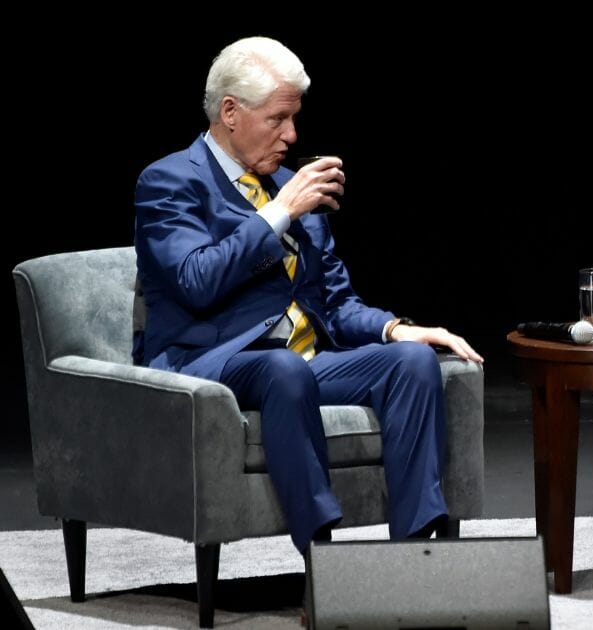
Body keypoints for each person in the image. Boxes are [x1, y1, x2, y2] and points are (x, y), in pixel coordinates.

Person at [133, 36, 483, 552]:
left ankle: (414, 558)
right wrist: (278, 216)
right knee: (283, 367)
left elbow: (335, 303)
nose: (291, 134)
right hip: (208, 363)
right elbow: (196, 281)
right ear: (230, 112)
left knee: (411, 363)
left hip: (301, 366)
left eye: (294, 118)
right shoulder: (170, 181)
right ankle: (322, 560)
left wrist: (398, 329)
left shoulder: (290, 187)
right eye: (277, 119)